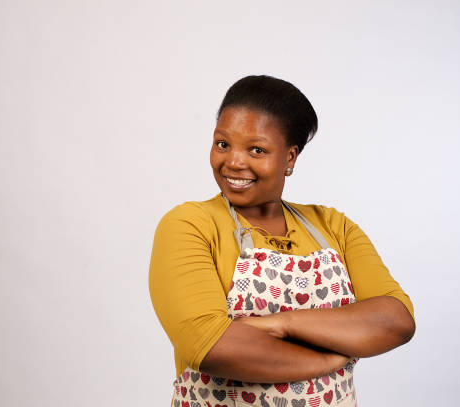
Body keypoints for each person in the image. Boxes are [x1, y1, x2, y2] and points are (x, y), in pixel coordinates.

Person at [149, 75, 415, 407]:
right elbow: (210, 346)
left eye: (256, 149)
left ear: (289, 158)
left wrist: (282, 324)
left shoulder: (333, 227)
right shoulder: (191, 225)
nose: (233, 161)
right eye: (222, 144)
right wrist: (328, 359)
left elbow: (395, 321)